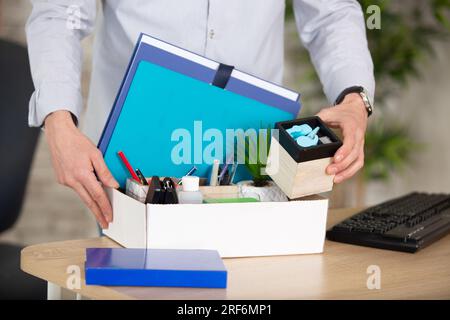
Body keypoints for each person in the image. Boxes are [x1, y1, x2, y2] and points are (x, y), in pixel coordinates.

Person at [26, 0, 375, 228]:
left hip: (250, 156)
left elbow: (331, 13)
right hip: (131, 165)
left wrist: (354, 98)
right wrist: (58, 119)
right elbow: (60, 13)